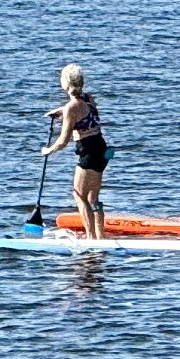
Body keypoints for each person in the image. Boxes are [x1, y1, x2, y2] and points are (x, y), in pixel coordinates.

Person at [40, 64, 111, 239]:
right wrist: (61, 111)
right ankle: (100, 236)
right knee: (94, 198)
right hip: (102, 148)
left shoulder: (72, 108)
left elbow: (63, 141)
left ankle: (90, 238)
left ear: (65, 84)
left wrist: (48, 150)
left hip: (88, 152)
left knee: (79, 195)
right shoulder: (89, 98)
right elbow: (81, 110)